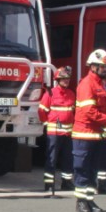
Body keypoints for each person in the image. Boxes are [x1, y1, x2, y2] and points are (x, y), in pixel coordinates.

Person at [72, 49, 106, 212]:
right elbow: (89, 112)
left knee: (92, 170)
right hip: (84, 134)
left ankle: (90, 200)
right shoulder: (87, 84)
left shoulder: (100, 85)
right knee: (82, 168)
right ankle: (81, 201)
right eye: (103, 67)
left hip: (96, 135)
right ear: (93, 66)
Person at [38, 65, 75, 195]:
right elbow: (42, 110)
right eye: (63, 79)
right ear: (57, 80)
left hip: (68, 132)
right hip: (54, 132)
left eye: (67, 79)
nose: (66, 81)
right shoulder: (50, 93)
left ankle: (67, 182)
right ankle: (49, 184)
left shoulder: (71, 94)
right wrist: (47, 122)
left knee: (68, 158)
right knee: (51, 158)